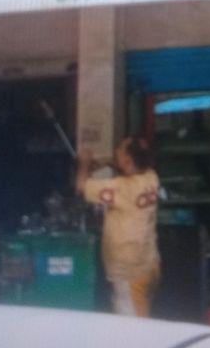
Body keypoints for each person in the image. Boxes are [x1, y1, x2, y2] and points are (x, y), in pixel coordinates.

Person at [76, 136, 160, 317]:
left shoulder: (122, 187)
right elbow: (130, 168)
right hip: (148, 262)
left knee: (132, 326)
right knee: (142, 311)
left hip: (129, 272)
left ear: (128, 161)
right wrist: (108, 163)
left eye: (120, 149)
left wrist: (84, 163)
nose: (116, 151)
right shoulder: (151, 177)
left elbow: (81, 187)